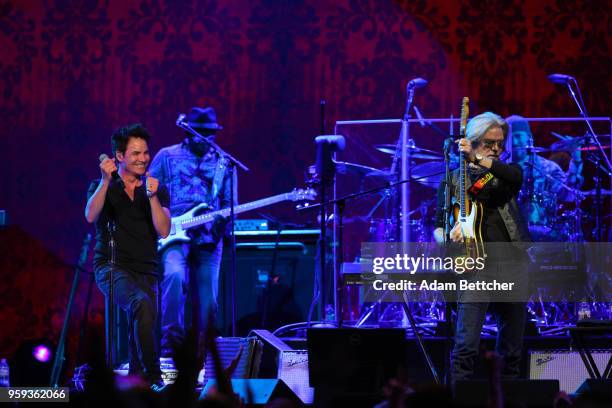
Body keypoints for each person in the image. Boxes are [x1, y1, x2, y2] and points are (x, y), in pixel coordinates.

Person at [433, 112, 531, 383]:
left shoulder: (504, 175)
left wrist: (479, 160)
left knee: (512, 351)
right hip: (476, 267)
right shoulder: (451, 180)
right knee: (465, 346)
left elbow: (514, 177)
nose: (497, 149)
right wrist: (449, 236)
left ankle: (508, 401)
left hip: (513, 264)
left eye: (500, 143)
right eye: (489, 143)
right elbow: (437, 226)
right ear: (472, 142)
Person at [85, 123, 171, 388]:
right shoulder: (103, 186)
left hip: (146, 270)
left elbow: (164, 230)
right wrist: (104, 181)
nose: (143, 158)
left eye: (145, 152)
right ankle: (155, 378)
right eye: (135, 153)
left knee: (143, 319)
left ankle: (137, 383)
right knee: (141, 304)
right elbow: (90, 215)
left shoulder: (155, 188)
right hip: (111, 268)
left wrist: (153, 197)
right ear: (119, 157)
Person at [149, 106, 237, 356]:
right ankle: (170, 349)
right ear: (188, 132)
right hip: (174, 235)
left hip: (210, 239)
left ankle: (205, 355)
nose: (206, 137)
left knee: (209, 299)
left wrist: (221, 220)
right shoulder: (166, 156)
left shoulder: (224, 162)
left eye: (210, 133)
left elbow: (231, 204)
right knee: (175, 278)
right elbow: (148, 194)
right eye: (200, 132)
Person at [506, 115, 584, 240]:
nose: (514, 142)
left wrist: (576, 159)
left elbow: (569, 196)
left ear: (529, 138)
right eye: (510, 138)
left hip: (541, 237)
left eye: (518, 136)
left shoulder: (547, 168)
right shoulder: (495, 168)